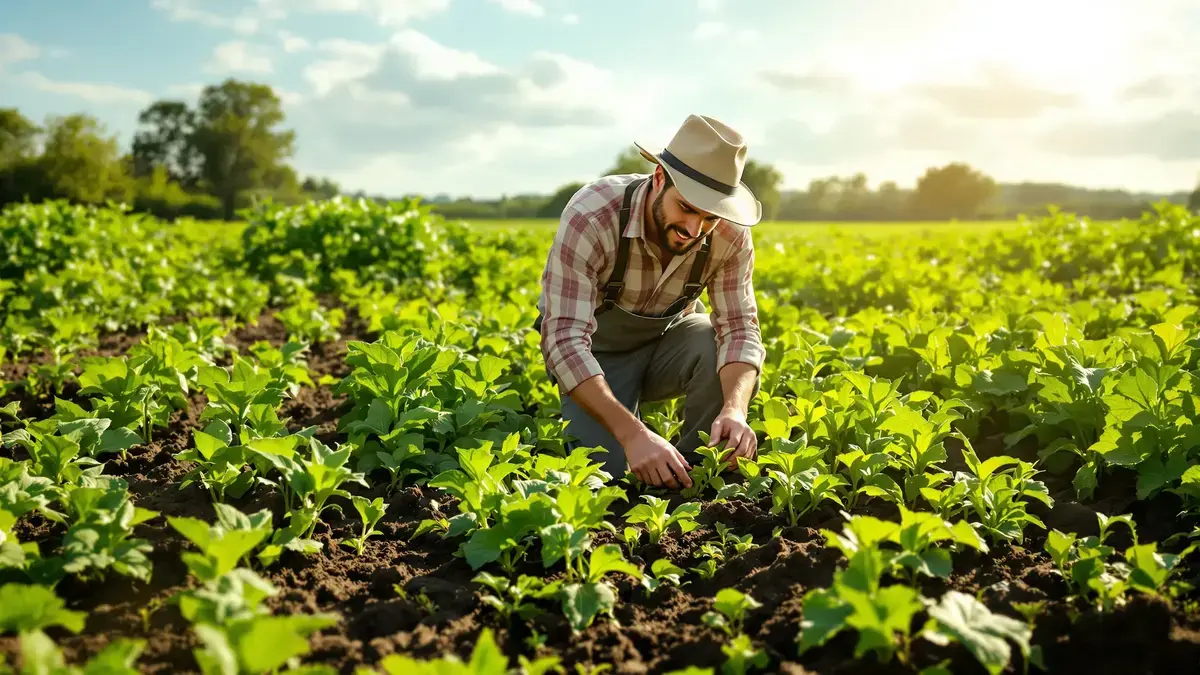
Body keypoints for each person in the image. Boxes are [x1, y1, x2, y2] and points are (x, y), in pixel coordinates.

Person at [534, 113, 766, 490]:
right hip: (595, 354)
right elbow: (563, 340)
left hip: (669, 345)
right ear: (659, 178)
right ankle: (636, 437)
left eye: (709, 217)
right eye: (687, 208)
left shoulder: (730, 234)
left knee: (712, 340)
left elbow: (739, 328)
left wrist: (735, 409)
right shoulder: (592, 216)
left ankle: (694, 475)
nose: (695, 230)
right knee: (602, 480)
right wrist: (633, 435)